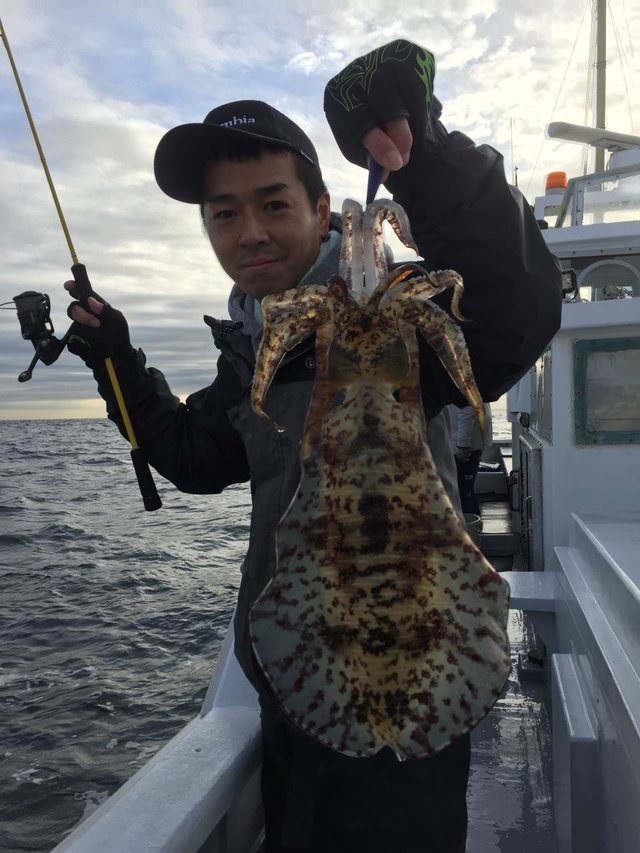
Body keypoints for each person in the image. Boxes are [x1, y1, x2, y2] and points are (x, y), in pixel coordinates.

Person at [64, 40, 562, 853]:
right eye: (224, 213)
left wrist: (424, 158)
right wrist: (117, 359)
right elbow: (196, 456)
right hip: (297, 684)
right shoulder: (260, 348)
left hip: (408, 689)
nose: (249, 232)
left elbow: (518, 304)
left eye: (271, 204)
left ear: (322, 204)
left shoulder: (410, 327)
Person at [448, 403, 493, 517]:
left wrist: (463, 446)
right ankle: (474, 525)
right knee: (466, 490)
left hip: (464, 448)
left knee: (463, 491)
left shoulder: (462, 387)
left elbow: (467, 414)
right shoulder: (473, 388)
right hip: (472, 445)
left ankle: (470, 527)